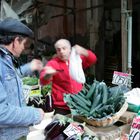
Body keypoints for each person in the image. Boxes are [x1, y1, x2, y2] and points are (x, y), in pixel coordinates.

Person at [0, 18, 44, 140]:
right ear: (15, 41)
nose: (24, 48)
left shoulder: (5, 60)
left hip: (15, 132)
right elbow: (1, 113)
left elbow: (9, 79)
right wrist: (34, 114)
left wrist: (29, 67)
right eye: (23, 43)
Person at [40, 39, 97, 115]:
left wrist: (83, 51)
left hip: (79, 103)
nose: (61, 51)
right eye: (58, 50)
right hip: (61, 106)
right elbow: (43, 81)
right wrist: (49, 74)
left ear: (70, 49)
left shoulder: (76, 60)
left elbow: (93, 59)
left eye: (64, 48)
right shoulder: (53, 63)